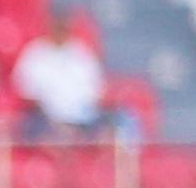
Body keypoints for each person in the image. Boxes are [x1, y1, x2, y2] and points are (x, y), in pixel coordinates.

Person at [16, 10, 122, 142]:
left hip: (83, 119)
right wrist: (56, 123)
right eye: (58, 27)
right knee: (39, 132)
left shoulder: (82, 53)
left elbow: (97, 92)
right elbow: (27, 94)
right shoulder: (35, 53)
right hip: (46, 119)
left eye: (64, 27)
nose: (61, 31)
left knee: (117, 125)